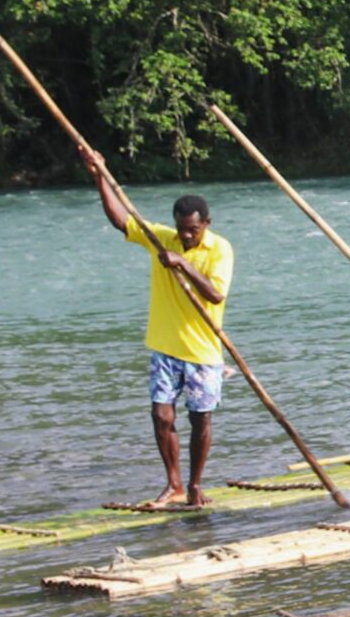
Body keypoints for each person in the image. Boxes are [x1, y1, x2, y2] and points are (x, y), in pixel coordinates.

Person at [77, 145, 235, 511]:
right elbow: (121, 220)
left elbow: (214, 295)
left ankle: (195, 485)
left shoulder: (219, 250)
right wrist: (100, 174)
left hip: (202, 350)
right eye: (181, 230)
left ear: (206, 224)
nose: (186, 236)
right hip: (164, 345)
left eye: (193, 230)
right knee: (161, 415)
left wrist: (182, 264)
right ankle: (174, 485)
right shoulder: (163, 238)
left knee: (201, 419)